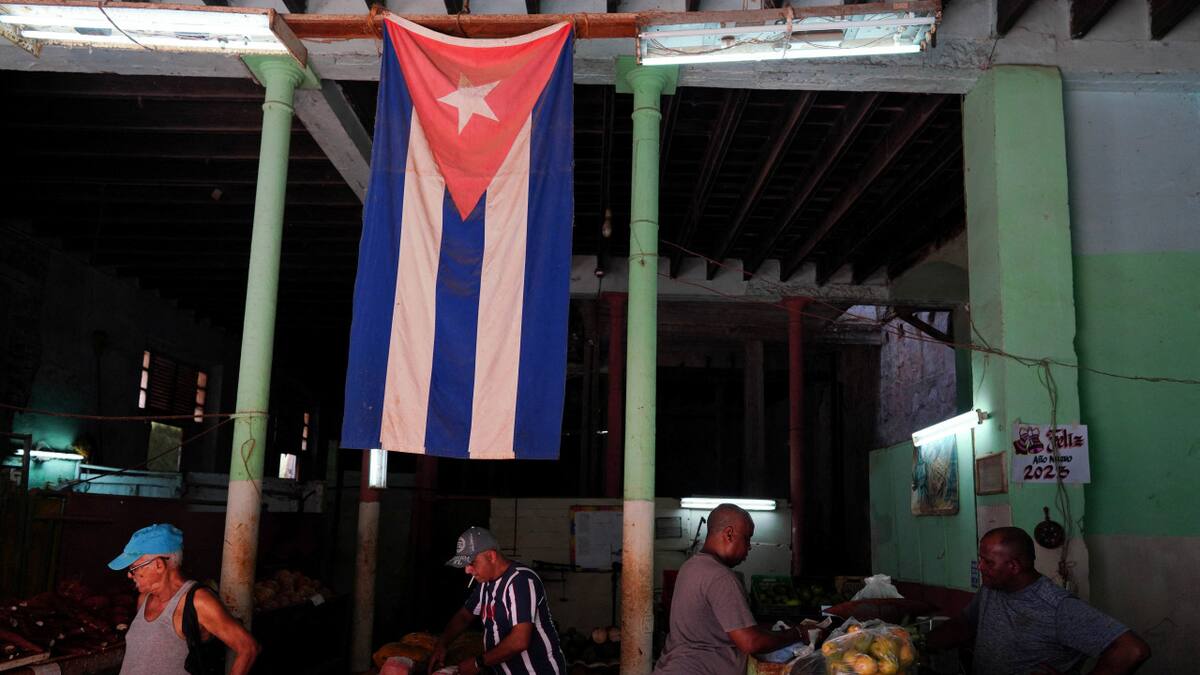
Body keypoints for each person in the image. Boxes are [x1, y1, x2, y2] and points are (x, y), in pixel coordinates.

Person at [927, 526, 1150, 674]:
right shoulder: (992, 589)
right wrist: (916, 643)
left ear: (1013, 566)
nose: (980, 567)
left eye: (988, 562)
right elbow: (966, 623)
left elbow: (1131, 650)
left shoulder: (1057, 607)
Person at [653, 503, 808, 675]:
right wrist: (798, 633)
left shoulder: (690, 566)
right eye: (747, 538)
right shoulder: (721, 576)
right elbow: (750, 642)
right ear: (729, 534)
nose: (749, 546)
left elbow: (725, 628)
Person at [109, 523, 260, 675]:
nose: (129, 574)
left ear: (158, 565)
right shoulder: (144, 599)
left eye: (134, 568)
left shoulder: (198, 602)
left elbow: (248, 648)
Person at [429, 526, 567, 674]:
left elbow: (519, 640)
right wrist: (442, 644)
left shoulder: (520, 581)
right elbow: (464, 616)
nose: (467, 570)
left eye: (472, 562)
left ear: (491, 556)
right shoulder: (485, 584)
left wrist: (478, 663)